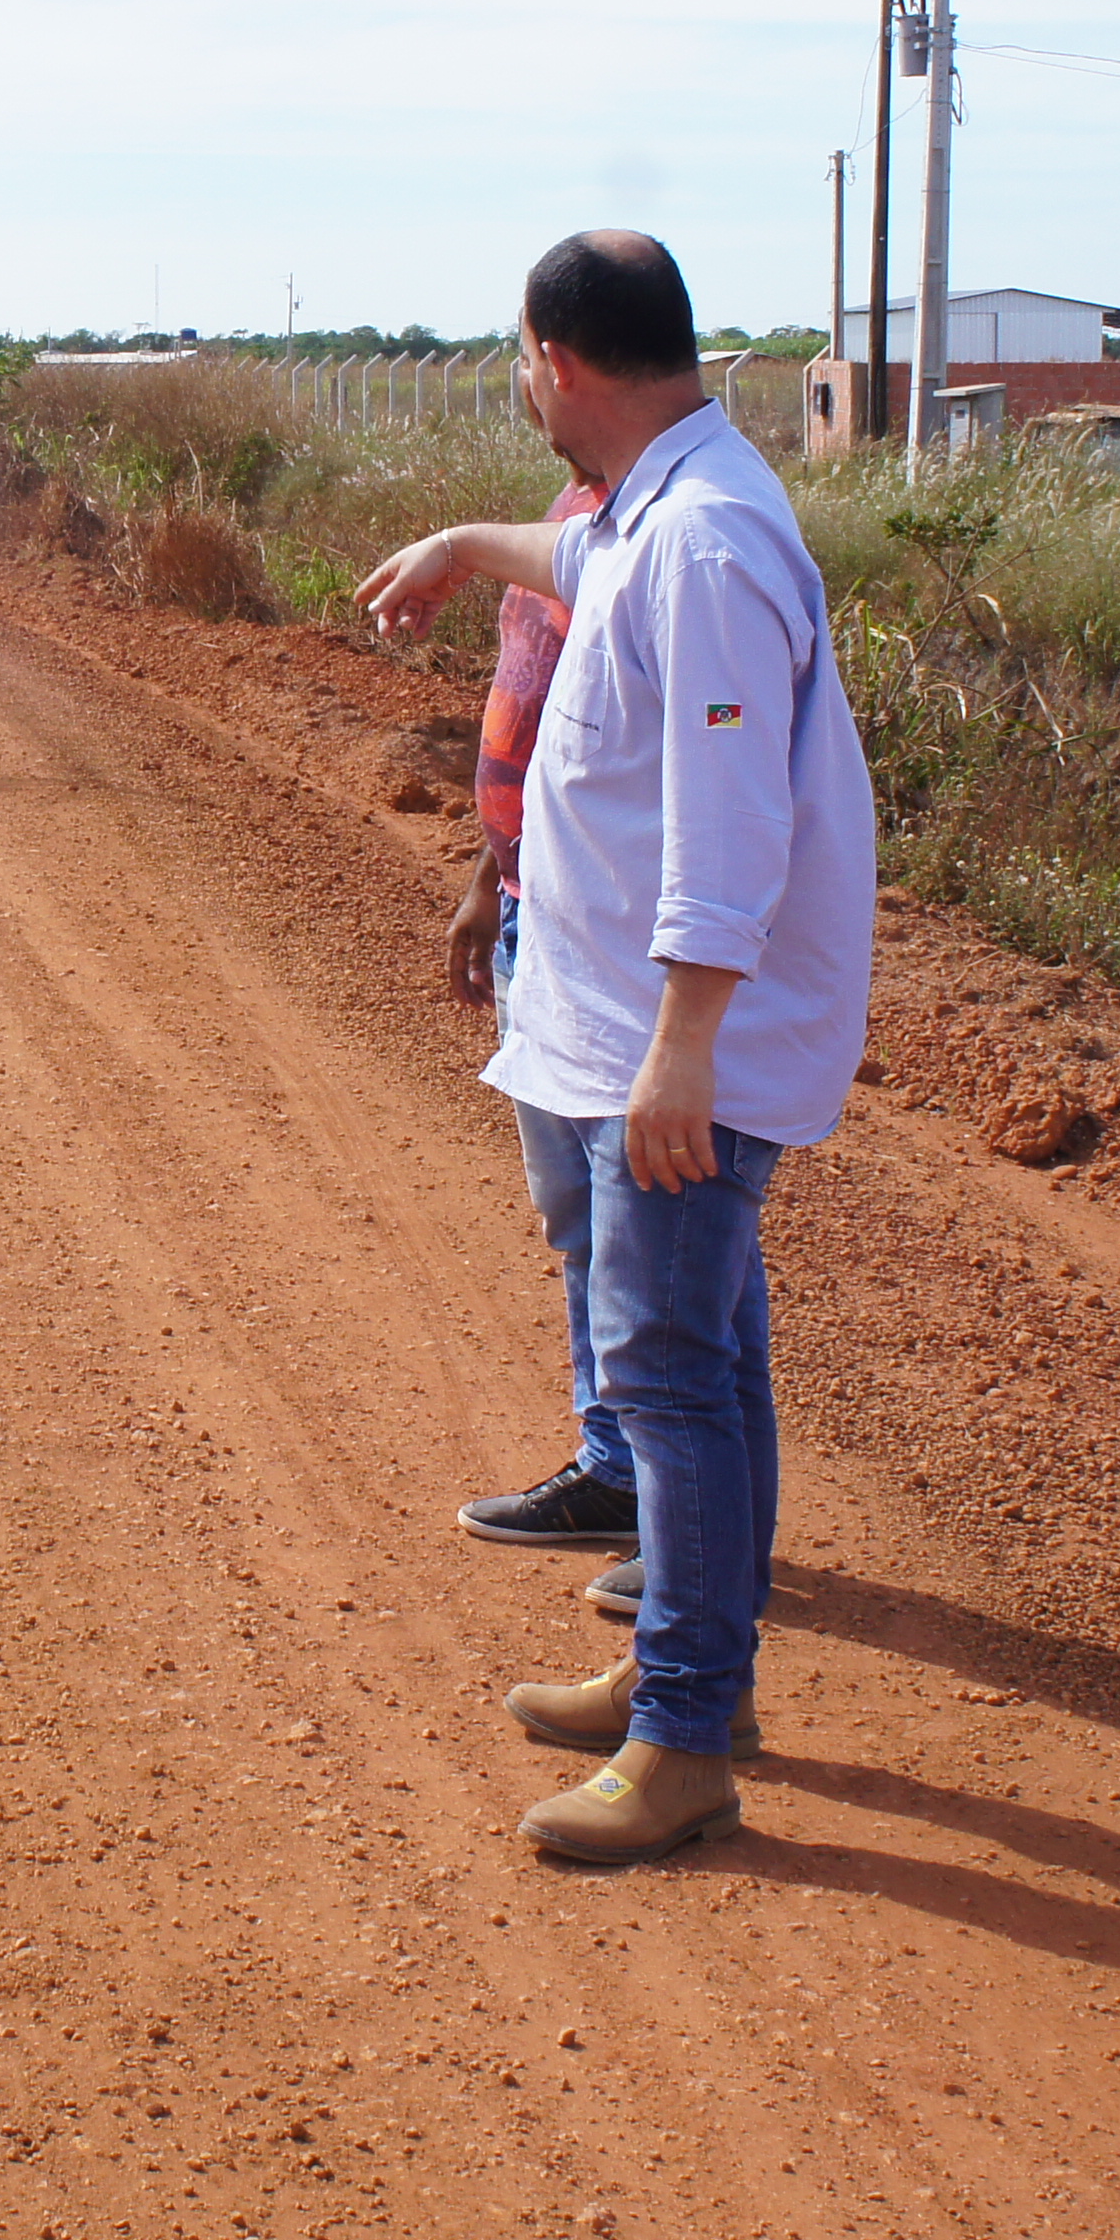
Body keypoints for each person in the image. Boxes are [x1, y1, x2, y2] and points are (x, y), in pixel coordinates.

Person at [358, 229, 874, 1867]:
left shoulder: (704, 543)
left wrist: (681, 1053)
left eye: (517, 358)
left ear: (556, 360)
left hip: (678, 1053)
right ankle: (683, 1683)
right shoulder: (658, 514)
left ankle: (685, 1738)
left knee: (667, 1375)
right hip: (637, 1034)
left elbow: (732, 826)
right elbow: (576, 566)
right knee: (701, 1357)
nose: (519, 383)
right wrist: (466, 541)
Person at [448, 456, 639, 1574]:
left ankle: (669, 1505)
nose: (520, 383)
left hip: (598, 934)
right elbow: (544, 736)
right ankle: (611, 1464)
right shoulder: (569, 521)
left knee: (648, 1240)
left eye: (523, 356)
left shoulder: (654, 538)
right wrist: (489, 878)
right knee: (576, 1218)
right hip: (532, 908)